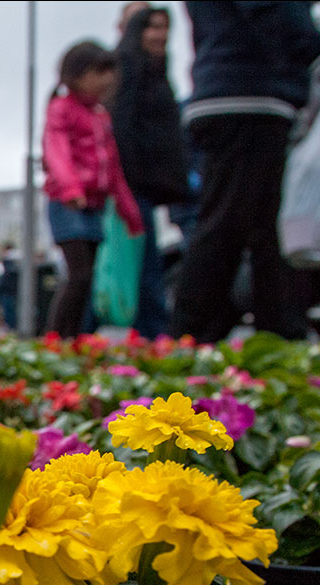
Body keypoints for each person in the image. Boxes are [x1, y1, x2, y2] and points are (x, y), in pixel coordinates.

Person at [169, 2, 320, 343]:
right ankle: (189, 335)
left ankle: (273, 333)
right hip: (249, 92)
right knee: (232, 226)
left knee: (264, 229)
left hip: (236, 90)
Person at [41, 41, 144, 339]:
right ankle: (56, 336)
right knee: (78, 274)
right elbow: (56, 150)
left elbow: (113, 170)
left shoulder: (100, 117)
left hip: (95, 205)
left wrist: (130, 213)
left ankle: (72, 337)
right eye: (99, 73)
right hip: (67, 202)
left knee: (87, 278)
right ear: (77, 74)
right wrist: (70, 188)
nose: (107, 81)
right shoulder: (61, 109)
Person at [110, 5, 189, 338]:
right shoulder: (127, 68)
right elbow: (123, 127)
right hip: (130, 184)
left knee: (147, 262)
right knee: (139, 265)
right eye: (150, 27)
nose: (159, 35)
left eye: (164, 27)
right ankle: (152, 333)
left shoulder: (158, 72)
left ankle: (151, 332)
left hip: (150, 186)